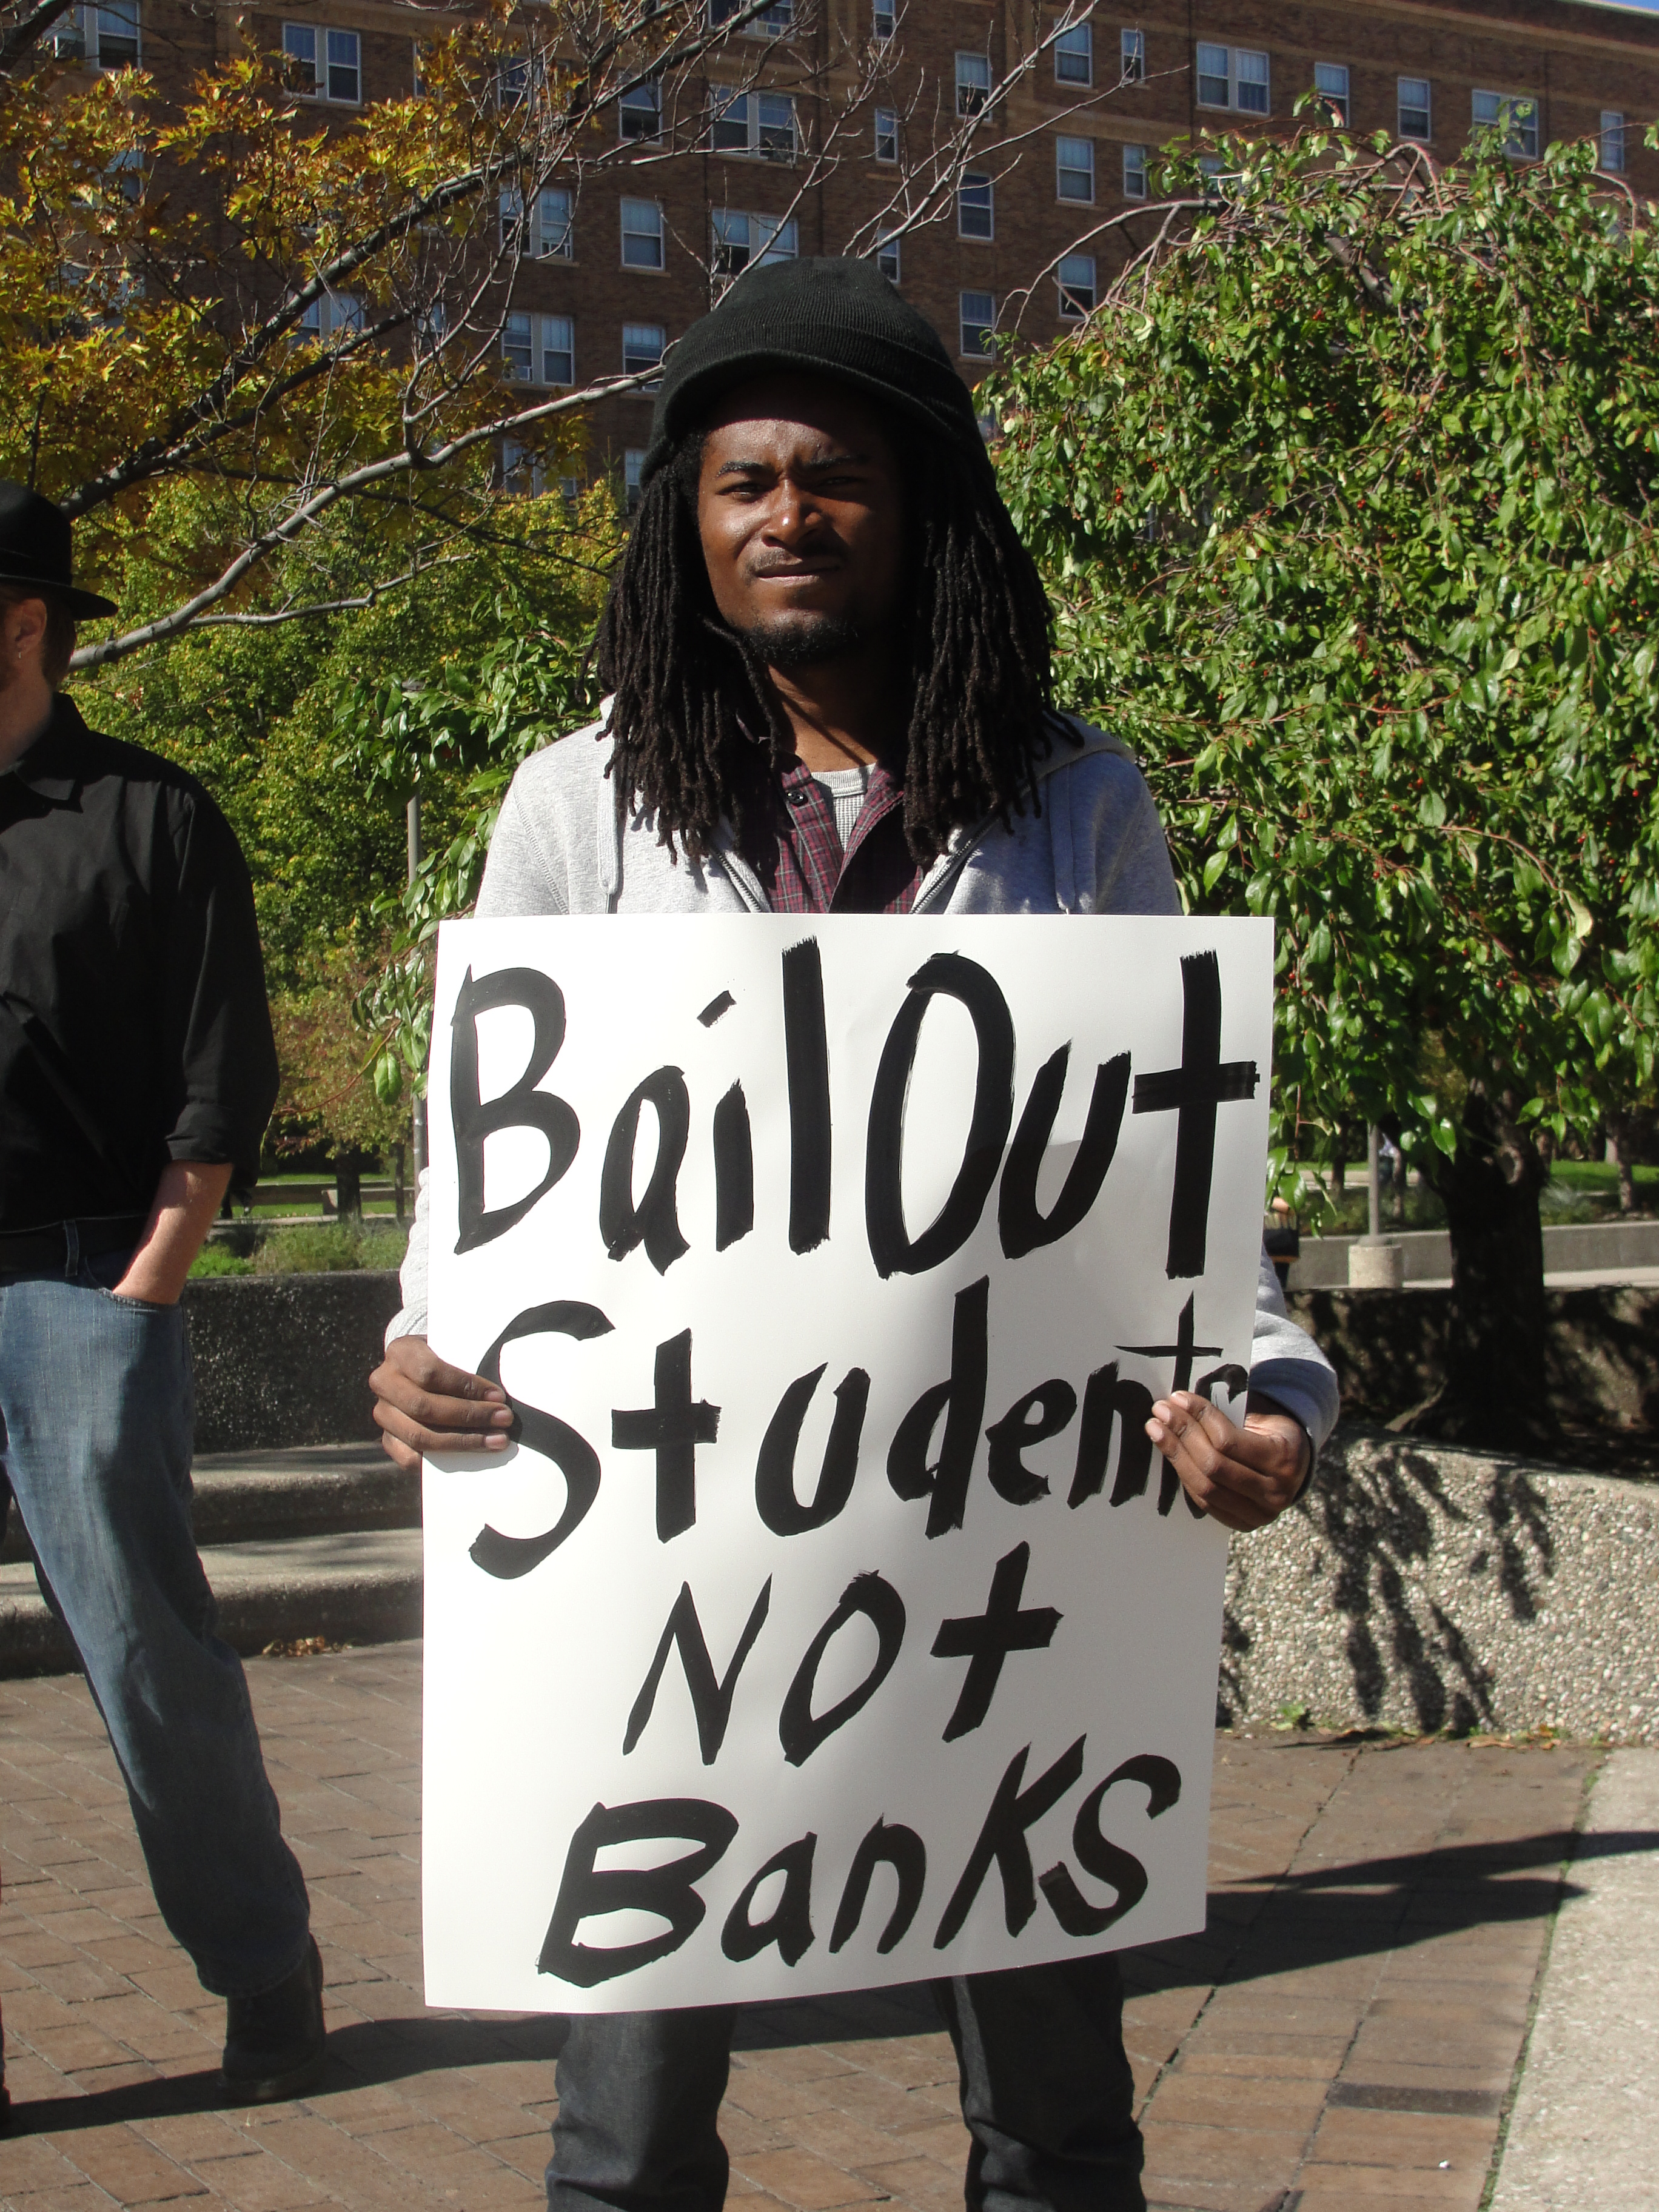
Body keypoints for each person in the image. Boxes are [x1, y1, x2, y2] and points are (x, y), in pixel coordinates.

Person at [370, 259, 1339, 2212]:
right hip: (666, 1607)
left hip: (1014, 1584)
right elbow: (494, 1169)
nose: (788, 516)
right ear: (689, 520)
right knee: (625, 2142)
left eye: (836, 478)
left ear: (923, 513)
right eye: (744, 481)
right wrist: (424, 1341)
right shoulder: (579, 811)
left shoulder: (1079, 807)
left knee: (1058, 2131)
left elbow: (1167, 1169)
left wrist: (1274, 1397)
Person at [0, 480, 324, 2117]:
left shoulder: (153, 818)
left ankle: (265, 1965)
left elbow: (220, 1084)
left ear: (24, 624)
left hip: (80, 1288)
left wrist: (145, 1291)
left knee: (146, 1658)